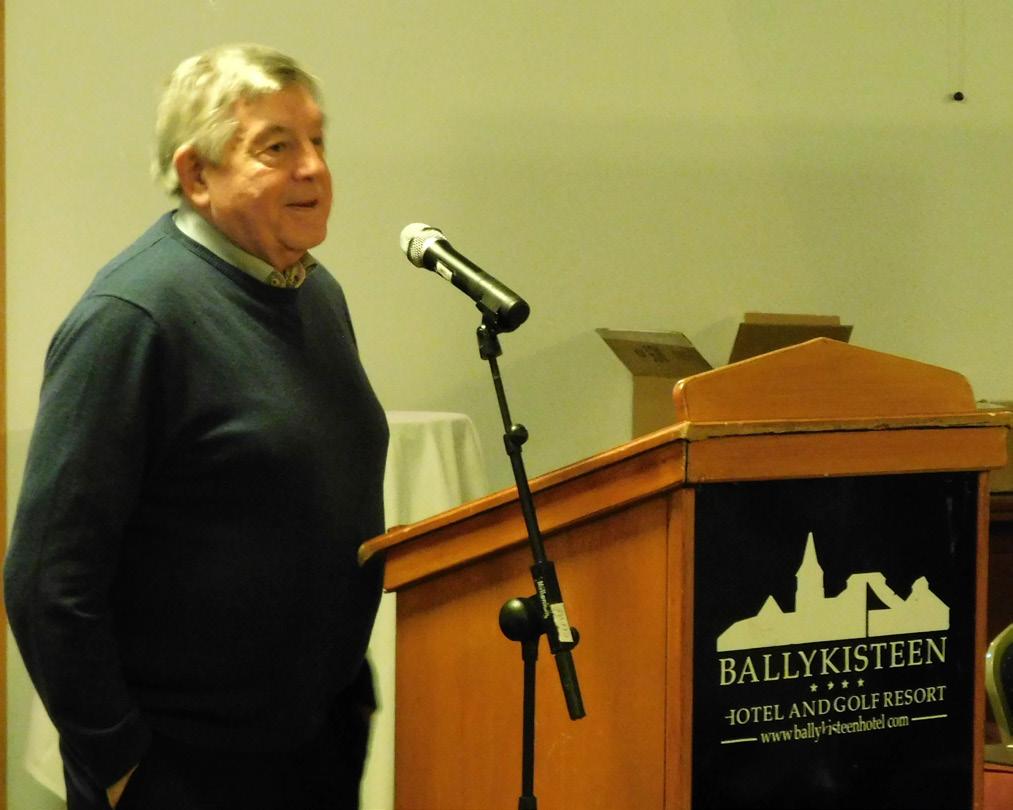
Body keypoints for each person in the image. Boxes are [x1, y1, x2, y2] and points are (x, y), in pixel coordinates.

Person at [4, 43, 389, 810]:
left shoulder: (315, 295)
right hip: (184, 769)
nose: (314, 168)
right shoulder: (132, 319)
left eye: (317, 141)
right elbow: (48, 580)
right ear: (197, 174)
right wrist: (120, 761)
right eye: (276, 148)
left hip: (311, 746)